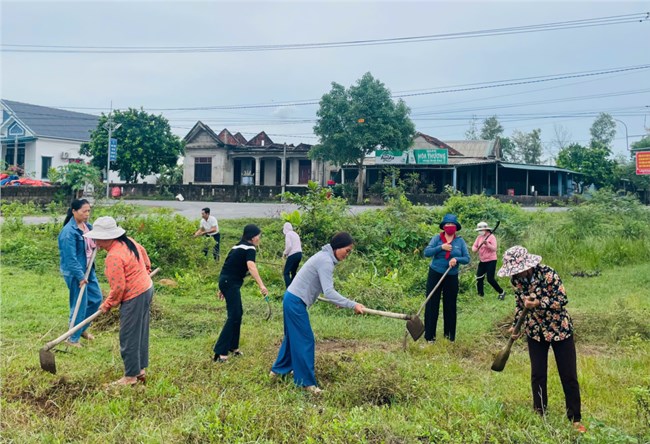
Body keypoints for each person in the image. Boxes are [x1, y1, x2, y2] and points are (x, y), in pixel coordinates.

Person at [497, 246, 585, 434]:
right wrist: (516, 326)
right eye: (514, 271)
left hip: (559, 329)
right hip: (535, 330)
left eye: (519, 269)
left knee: (568, 374)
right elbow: (520, 305)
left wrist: (539, 302)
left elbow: (562, 299)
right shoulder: (517, 281)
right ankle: (540, 412)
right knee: (538, 374)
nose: (518, 274)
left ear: (527, 265)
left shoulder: (548, 273)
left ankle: (575, 418)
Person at [270, 232, 365, 395]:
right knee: (305, 340)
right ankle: (306, 383)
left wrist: (338, 301)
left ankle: (277, 372)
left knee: (293, 338)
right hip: (295, 302)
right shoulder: (325, 261)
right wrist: (352, 304)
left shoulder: (324, 257)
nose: (347, 255)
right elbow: (329, 291)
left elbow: (322, 287)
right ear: (338, 246)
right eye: (347, 250)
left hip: (292, 299)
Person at [83, 216, 154, 386]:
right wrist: (145, 271)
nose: (96, 242)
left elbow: (118, 288)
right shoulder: (128, 241)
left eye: (97, 238)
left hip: (135, 296)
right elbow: (143, 253)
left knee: (128, 335)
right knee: (140, 332)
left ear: (107, 237)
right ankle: (140, 370)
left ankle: (130, 377)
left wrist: (107, 304)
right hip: (147, 288)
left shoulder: (113, 256)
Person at [213, 224, 268, 363]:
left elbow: (229, 265)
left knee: (238, 313)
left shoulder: (236, 246)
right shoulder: (250, 249)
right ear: (253, 237)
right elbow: (251, 266)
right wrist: (261, 285)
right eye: (258, 236)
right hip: (230, 283)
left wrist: (222, 287)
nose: (259, 239)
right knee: (234, 315)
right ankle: (220, 352)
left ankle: (233, 347)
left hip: (226, 281)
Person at [58, 199, 103, 347]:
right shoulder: (68, 232)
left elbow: (91, 246)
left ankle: (81, 328)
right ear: (74, 211)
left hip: (88, 270)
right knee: (79, 304)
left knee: (96, 299)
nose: (87, 214)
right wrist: (80, 276)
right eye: (84, 211)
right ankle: (72, 339)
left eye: (89, 211)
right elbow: (70, 258)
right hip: (75, 273)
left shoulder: (87, 227)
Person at [423, 213, 470, 342]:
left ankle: (449, 337)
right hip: (435, 273)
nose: (449, 226)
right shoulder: (436, 239)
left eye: (452, 224)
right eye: (447, 224)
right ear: (443, 227)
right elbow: (427, 252)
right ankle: (429, 337)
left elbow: (467, 258)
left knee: (450, 306)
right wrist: (440, 247)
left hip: (451, 276)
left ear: (456, 227)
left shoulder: (460, 241)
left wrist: (456, 259)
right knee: (432, 304)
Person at [472, 221, 506, 300]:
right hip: (482, 260)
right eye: (479, 230)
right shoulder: (479, 237)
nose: (480, 231)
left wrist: (487, 244)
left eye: (482, 230)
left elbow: (494, 249)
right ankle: (480, 295)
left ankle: (501, 292)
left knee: (490, 279)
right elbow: (474, 246)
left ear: (486, 230)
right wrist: (475, 249)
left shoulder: (491, 237)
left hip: (491, 260)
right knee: (479, 277)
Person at [282, 222, 303, 288]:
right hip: (299, 254)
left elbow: (289, 246)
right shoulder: (295, 234)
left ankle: (289, 289)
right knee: (293, 272)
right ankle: (295, 288)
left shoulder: (288, 234)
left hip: (293, 254)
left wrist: (284, 253)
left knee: (286, 273)